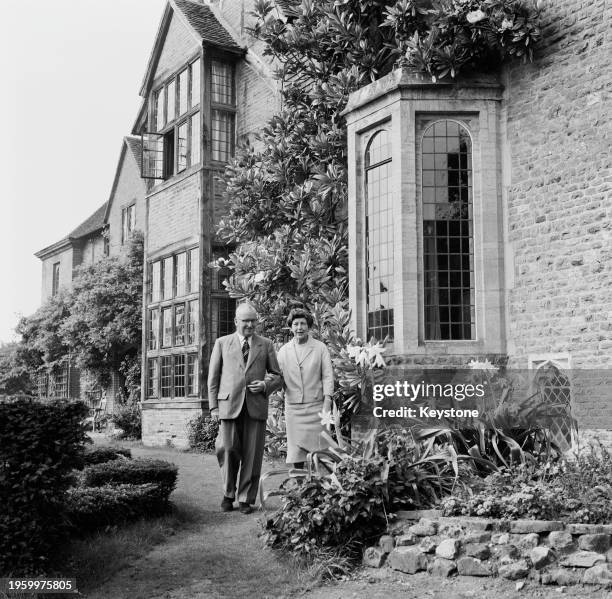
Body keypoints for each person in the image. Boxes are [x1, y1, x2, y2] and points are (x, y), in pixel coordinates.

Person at [208, 303, 282, 514]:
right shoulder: (222, 343)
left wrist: (265, 385)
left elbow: (277, 376)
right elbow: (213, 378)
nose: (250, 324)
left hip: (255, 406)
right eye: (245, 321)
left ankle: (245, 499)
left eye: (253, 320)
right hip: (228, 405)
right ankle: (228, 493)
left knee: (252, 454)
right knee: (228, 449)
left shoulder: (265, 344)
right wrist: (214, 407)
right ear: (236, 322)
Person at [277, 308, 334, 469]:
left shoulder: (320, 348)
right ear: (291, 327)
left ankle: (322, 487)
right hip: (294, 409)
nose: (299, 327)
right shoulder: (283, 351)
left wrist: (327, 400)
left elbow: (328, 375)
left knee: (321, 450)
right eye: (296, 324)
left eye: (303, 323)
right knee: (296, 452)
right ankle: (300, 486)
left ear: (308, 326)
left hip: (317, 407)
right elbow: (276, 376)